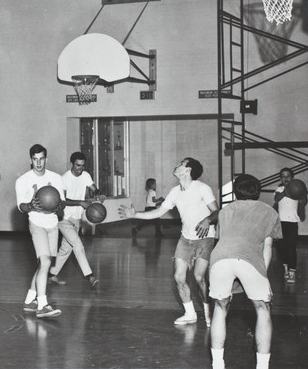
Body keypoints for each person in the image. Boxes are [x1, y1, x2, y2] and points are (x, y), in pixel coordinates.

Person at [119, 157, 219, 327]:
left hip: (205, 238)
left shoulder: (203, 188)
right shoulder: (175, 191)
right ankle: (190, 314)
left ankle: (208, 311)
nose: (177, 165)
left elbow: (217, 212)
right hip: (185, 238)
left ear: (187, 170)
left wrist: (208, 220)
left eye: (182, 164)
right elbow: (157, 213)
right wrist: (134, 214)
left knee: (198, 277)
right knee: (179, 277)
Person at [209, 174, 282, 369]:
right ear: (258, 191)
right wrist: (262, 277)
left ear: (235, 191)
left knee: (220, 307)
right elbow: (267, 248)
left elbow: (224, 242)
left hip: (219, 259)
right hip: (248, 258)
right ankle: (262, 366)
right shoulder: (270, 212)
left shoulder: (224, 211)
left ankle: (217, 364)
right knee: (263, 308)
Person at [15, 144, 65, 318]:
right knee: (45, 263)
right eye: (35, 159)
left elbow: (62, 206)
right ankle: (42, 305)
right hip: (36, 224)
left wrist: (58, 207)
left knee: (44, 265)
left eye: (41, 159)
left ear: (46, 159)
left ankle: (30, 300)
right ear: (30, 160)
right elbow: (21, 206)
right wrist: (30, 205)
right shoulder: (23, 180)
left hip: (53, 225)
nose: (38, 163)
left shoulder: (56, 178)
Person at [48, 152, 102, 288]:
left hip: (76, 219)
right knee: (78, 245)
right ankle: (90, 276)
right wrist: (81, 203)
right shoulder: (64, 178)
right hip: (64, 219)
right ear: (72, 164)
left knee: (66, 249)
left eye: (83, 166)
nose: (80, 168)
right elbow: (62, 201)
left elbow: (94, 188)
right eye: (78, 165)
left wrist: (99, 193)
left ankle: (51, 274)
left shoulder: (85, 175)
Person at [273, 167, 307, 284]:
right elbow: (277, 198)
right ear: (280, 178)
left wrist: (303, 197)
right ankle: (286, 268)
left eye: (288, 176)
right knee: (282, 248)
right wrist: (286, 192)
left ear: (292, 178)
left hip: (292, 223)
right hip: (280, 223)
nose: (286, 178)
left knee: (291, 248)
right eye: (283, 176)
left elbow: (303, 202)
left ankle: (292, 272)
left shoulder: (297, 189)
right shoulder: (280, 189)